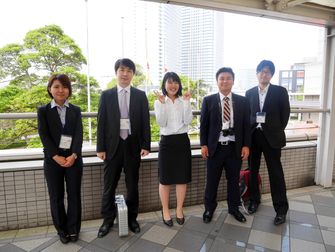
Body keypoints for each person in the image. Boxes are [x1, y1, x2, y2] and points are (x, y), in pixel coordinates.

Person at [96, 58, 151, 238]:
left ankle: (132, 219)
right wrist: (100, 148)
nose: (125, 74)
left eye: (129, 70)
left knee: (132, 185)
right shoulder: (106, 95)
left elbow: (145, 122)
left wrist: (145, 145)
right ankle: (107, 220)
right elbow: (101, 123)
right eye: (122, 70)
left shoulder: (140, 95)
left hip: (133, 147)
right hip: (112, 148)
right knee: (108, 186)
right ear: (116, 72)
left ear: (133, 74)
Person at [200, 67, 250, 223]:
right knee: (212, 180)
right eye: (221, 78)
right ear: (217, 81)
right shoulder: (208, 101)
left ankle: (234, 208)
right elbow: (204, 125)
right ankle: (209, 209)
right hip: (215, 148)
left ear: (233, 81)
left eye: (228, 78)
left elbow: (246, 125)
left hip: (234, 147)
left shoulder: (242, 101)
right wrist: (203, 145)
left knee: (234, 180)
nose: (225, 81)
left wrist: (246, 145)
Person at [38, 74, 83, 244]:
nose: (60, 90)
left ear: (69, 90)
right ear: (50, 89)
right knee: (56, 196)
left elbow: (79, 134)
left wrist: (74, 155)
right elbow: (44, 135)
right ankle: (62, 230)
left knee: (74, 195)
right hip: (53, 161)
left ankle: (73, 229)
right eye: (56, 86)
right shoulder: (43, 111)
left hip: (73, 160)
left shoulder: (75, 110)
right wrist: (56, 156)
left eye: (64, 86)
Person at [245, 60, 290, 225]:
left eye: (268, 72)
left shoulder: (280, 91)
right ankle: (254, 201)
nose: (264, 74)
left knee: (276, 174)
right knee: (252, 170)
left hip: (272, 138)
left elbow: (285, 115)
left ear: (271, 75)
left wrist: (274, 130)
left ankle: (281, 209)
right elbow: (247, 114)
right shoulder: (249, 93)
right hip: (253, 136)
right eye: (261, 71)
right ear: (257, 73)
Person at [154, 72, 192, 227]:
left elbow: (188, 120)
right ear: (164, 85)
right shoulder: (159, 102)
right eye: (169, 82)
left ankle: (179, 209)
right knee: (165, 179)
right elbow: (161, 123)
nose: (173, 85)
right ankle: (165, 210)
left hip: (182, 141)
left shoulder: (185, 100)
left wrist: (188, 102)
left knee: (182, 178)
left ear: (179, 85)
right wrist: (163, 104)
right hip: (167, 142)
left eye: (175, 82)